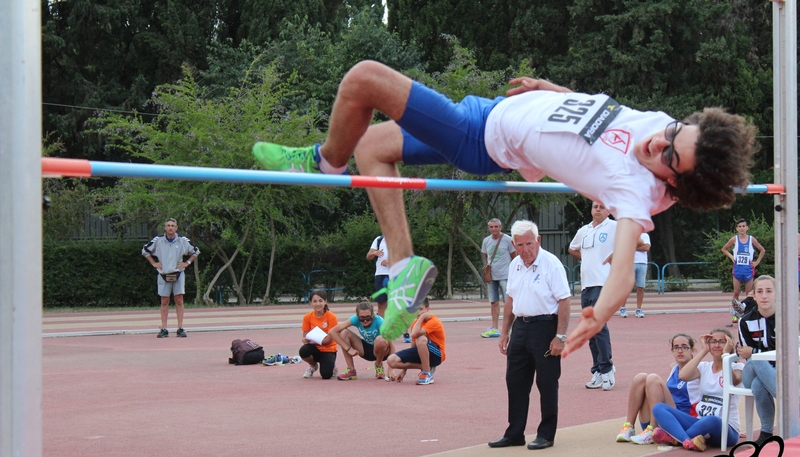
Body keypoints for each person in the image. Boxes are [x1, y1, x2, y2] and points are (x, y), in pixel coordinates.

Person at [252, 60, 757, 352]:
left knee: (364, 79)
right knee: (375, 147)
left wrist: (598, 314)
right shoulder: (663, 125)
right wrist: (553, 92)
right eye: (672, 135)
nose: (658, 145)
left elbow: (622, 268)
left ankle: (322, 164)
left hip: (480, 136)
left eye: (670, 157)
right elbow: (607, 116)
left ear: (677, 183)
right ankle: (404, 267)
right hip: (493, 111)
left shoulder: (635, 191)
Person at [488, 220, 571, 450]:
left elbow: (565, 301)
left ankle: (546, 434)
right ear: (514, 244)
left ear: (538, 241)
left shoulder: (551, 264)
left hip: (545, 327)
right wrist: (505, 332)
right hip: (521, 328)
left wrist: (560, 336)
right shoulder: (515, 265)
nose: (525, 249)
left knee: (546, 382)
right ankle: (515, 433)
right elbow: (510, 300)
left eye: (529, 243)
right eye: (520, 244)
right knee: (514, 381)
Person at [651, 328, 743, 451]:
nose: (716, 345)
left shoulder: (739, 367)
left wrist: (726, 355)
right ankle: (687, 440)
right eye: (712, 341)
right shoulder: (704, 367)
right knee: (659, 408)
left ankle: (676, 439)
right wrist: (703, 351)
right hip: (699, 424)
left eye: (721, 341)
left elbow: (732, 381)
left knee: (712, 420)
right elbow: (683, 376)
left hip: (726, 428)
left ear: (729, 344)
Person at [616, 333, 700, 444]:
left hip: (680, 420)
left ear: (692, 350)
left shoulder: (700, 369)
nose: (680, 351)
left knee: (653, 379)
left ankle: (652, 429)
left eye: (684, 347)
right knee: (640, 377)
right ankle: (629, 427)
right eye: (676, 347)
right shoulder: (673, 367)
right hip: (659, 416)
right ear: (672, 351)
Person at [568, 202, 616, 390]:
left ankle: (607, 368)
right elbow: (572, 248)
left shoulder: (614, 226)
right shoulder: (584, 230)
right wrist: (588, 259)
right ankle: (597, 369)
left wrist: (615, 255)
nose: (597, 209)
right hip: (586, 284)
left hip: (603, 283)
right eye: (595, 206)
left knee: (598, 325)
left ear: (609, 210)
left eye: (602, 207)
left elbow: (636, 240)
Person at [142, 218, 199, 338]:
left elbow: (196, 251)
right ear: (165, 227)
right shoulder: (158, 240)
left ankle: (180, 327)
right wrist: (154, 263)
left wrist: (187, 263)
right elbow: (145, 251)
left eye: (173, 225)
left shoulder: (182, 241)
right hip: (163, 274)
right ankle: (164, 328)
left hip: (178, 274)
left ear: (176, 228)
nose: (170, 228)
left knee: (179, 300)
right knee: (164, 301)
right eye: (168, 225)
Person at [737, 275, 777, 446]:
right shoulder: (745, 321)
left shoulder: (787, 318)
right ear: (753, 295)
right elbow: (747, 355)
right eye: (760, 291)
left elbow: (788, 352)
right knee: (758, 361)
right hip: (752, 370)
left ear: (777, 294)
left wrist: (755, 351)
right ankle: (789, 403)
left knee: (758, 385)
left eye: (769, 291)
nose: (764, 296)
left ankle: (766, 433)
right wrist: (756, 353)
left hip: (781, 371)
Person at [328, 299, 394, 380]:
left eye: (368, 317)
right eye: (362, 318)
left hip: (382, 351)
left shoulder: (380, 321)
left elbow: (392, 345)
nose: (365, 320)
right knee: (343, 332)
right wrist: (348, 349)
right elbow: (332, 332)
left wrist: (391, 368)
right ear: (357, 316)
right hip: (365, 349)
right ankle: (351, 370)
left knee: (380, 339)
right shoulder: (355, 319)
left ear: (373, 315)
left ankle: (378, 365)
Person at [385, 298, 446, 385]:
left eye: (421, 309)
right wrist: (404, 371)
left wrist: (422, 317)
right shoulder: (415, 324)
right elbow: (413, 347)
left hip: (437, 354)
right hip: (422, 353)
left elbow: (415, 334)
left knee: (421, 338)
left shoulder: (434, 321)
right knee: (391, 360)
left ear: (428, 309)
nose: (418, 312)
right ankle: (427, 367)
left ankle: (426, 374)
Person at [721, 218, 764, 322]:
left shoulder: (751, 239)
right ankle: (735, 314)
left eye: (743, 226)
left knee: (749, 293)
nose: (742, 228)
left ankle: (748, 314)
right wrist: (732, 257)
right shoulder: (734, 239)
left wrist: (757, 262)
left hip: (748, 270)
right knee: (736, 292)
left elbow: (762, 250)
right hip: (737, 270)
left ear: (747, 228)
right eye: (739, 226)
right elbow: (724, 249)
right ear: (736, 228)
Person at [480, 218, 516, 338]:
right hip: (492, 276)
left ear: (500, 227)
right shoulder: (486, 241)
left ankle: (510, 327)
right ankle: (494, 328)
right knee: (493, 302)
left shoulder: (508, 240)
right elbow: (486, 255)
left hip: (505, 276)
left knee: (508, 303)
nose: (494, 229)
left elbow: (514, 256)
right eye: (491, 227)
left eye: (496, 226)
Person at [299, 290, 339, 379]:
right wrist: (304, 340)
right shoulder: (307, 317)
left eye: (320, 301)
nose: (318, 304)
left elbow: (328, 341)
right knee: (303, 350)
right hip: (315, 349)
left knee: (326, 375)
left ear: (325, 302)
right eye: (315, 301)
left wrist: (312, 342)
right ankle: (313, 365)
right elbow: (305, 336)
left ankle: (332, 365)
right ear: (311, 303)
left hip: (329, 349)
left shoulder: (332, 317)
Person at [619, 232, 650, 318]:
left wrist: (633, 246)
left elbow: (647, 247)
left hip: (642, 263)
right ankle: (623, 308)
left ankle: (639, 309)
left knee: (640, 287)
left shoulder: (644, 235)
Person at [366, 235, 390, 318]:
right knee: (381, 303)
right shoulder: (379, 239)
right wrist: (374, 253)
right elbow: (368, 256)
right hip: (380, 274)